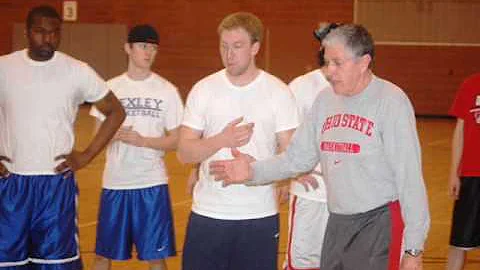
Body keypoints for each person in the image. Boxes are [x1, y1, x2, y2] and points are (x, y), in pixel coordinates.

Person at [209, 23, 430, 270]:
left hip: (378, 224)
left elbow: (410, 179)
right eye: (326, 63)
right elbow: (296, 159)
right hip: (336, 222)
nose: (328, 72)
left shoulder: (391, 102)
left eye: (337, 63)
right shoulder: (325, 100)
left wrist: (413, 249)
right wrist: (253, 172)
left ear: (364, 62)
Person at [0, 5, 125, 270]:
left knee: (57, 263)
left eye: (55, 32)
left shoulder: (76, 70)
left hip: (55, 185)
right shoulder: (5, 67)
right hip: (10, 183)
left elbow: (115, 111)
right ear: (27, 32)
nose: (48, 39)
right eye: (40, 32)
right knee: (8, 263)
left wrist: (87, 155)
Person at [177, 12, 299, 270]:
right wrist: (222, 139)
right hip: (208, 214)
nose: (229, 54)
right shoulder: (204, 89)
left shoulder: (278, 92)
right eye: (224, 46)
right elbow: (184, 153)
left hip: (258, 217)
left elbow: (292, 156)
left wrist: (259, 170)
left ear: (255, 47)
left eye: (237, 46)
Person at [90, 24, 182, 270]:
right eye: (143, 46)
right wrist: (112, 134)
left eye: (153, 48)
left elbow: (177, 139)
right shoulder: (110, 88)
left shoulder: (167, 91)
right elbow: (95, 139)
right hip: (115, 183)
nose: (148, 52)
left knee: (155, 256)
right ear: (128, 48)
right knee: (102, 255)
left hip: (151, 183)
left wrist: (145, 141)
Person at [282, 22, 338, 270]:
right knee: (302, 262)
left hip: (347, 195)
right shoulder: (302, 86)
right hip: (311, 190)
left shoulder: (359, 86)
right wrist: (287, 176)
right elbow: (283, 134)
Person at [446, 73, 480, 270]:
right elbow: (459, 130)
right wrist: (454, 173)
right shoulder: (470, 85)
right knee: (459, 242)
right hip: (470, 176)